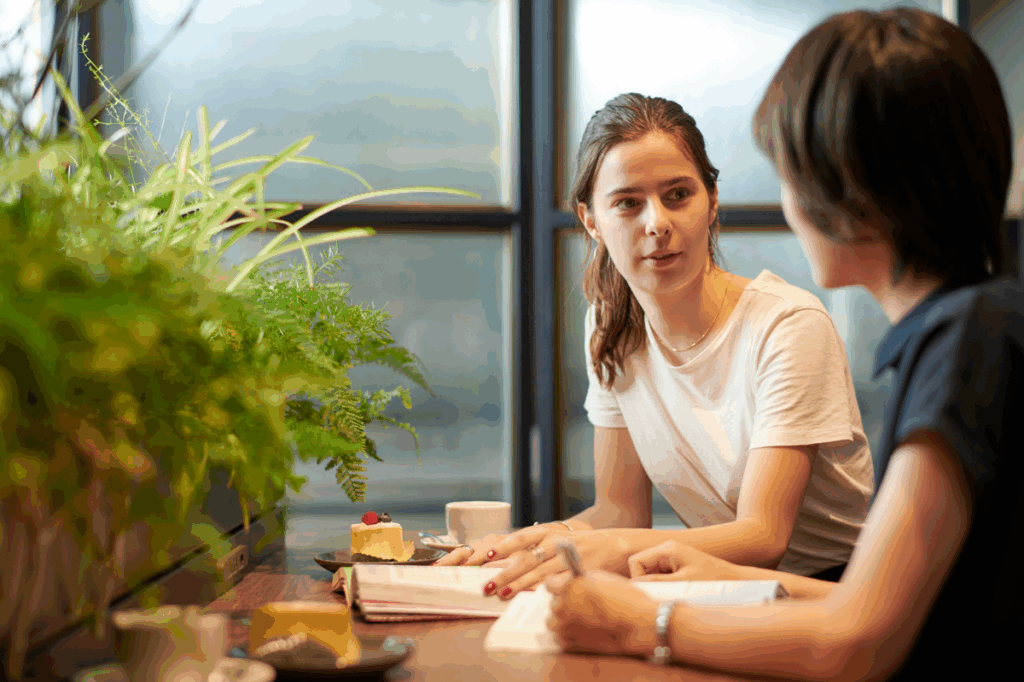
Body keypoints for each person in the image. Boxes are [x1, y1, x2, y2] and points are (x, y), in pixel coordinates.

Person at [544, 8, 1021, 681]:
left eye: (793, 172)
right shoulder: (972, 326)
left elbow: (856, 642)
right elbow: (901, 605)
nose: (790, 204)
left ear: (856, 186)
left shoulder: (968, 341)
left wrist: (635, 622)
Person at [437, 92, 875, 598]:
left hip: (831, 595)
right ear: (591, 221)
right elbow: (619, 511)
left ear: (711, 201)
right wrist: (530, 544)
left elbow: (763, 536)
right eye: (627, 203)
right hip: (716, 585)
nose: (657, 224)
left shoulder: (787, 325)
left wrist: (614, 551)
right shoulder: (610, 325)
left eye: (677, 195)